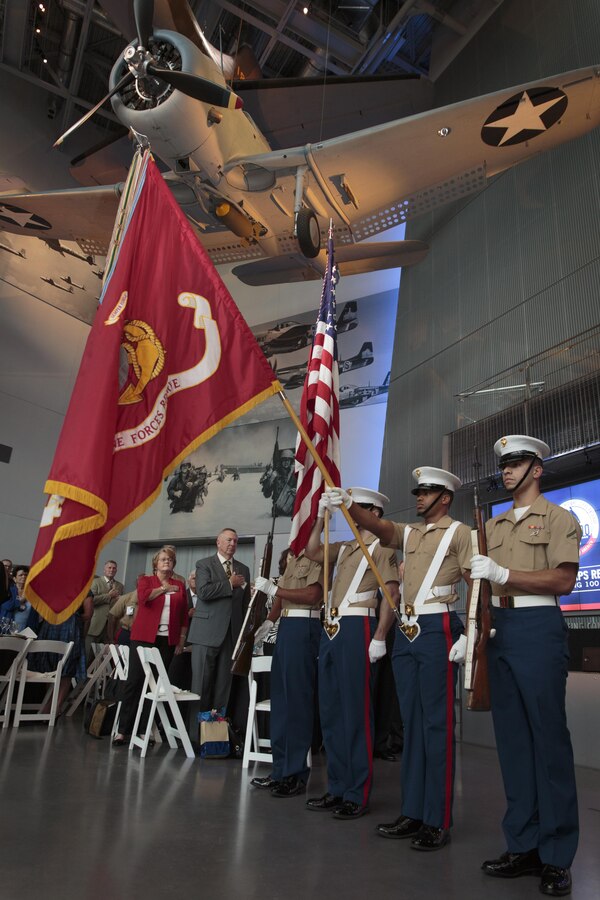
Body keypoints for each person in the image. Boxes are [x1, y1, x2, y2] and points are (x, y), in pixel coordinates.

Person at [326, 468, 471, 849]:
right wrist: (347, 504)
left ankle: (437, 819)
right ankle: (414, 810)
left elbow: (478, 582)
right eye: (418, 492)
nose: (419, 497)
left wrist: (471, 633)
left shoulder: (459, 532)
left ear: (445, 498)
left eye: (427, 492)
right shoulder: (411, 533)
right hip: (408, 630)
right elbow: (379, 527)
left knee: (437, 726)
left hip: (438, 624)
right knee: (413, 725)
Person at [474, 436, 581, 897]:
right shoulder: (493, 525)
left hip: (539, 625)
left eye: (517, 463)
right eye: (504, 464)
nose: (508, 470)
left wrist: (505, 576)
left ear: (537, 469)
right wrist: (474, 633)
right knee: (514, 743)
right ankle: (523, 845)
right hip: (501, 628)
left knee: (548, 742)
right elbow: (481, 584)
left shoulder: (559, 518)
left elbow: (564, 579)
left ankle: (557, 855)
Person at [305, 488, 400, 819]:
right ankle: (337, 787)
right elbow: (312, 550)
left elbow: (391, 594)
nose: (350, 513)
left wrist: (380, 636)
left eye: (356, 508)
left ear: (373, 511)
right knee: (331, 710)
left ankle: (357, 793)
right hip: (332, 629)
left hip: (359, 627)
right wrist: (320, 515)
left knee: (355, 712)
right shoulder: (344, 548)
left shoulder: (382, 548)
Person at [250, 549, 324, 797]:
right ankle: (280, 770)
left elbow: (313, 593)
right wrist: (269, 621)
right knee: (280, 703)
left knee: (296, 703)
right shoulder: (293, 558)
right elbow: (282, 596)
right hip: (287, 625)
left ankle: (295, 774)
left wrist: (274, 591)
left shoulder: (319, 556)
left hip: (306, 623)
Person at [112, 546, 188, 746]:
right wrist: (163, 589)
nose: (166, 562)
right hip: (143, 637)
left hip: (167, 640)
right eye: (163, 559)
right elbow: (145, 598)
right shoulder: (145, 580)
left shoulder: (179, 584)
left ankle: (144, 729)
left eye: (170, 559)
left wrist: (181, 639)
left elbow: (183, 616)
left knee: (155, 685)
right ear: (155, 563)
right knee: (135, 681)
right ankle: (122, 730)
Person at [186, 528, 251, 742]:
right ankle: (196, 736)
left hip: (231, 635)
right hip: (206, 634)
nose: (232, 543)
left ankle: (216, 738)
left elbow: (243, 605)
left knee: (224, 687)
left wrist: (243, 635)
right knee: (201, 686)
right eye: (229, 539)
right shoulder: (204, 564)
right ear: (218, 542)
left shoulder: (243, 569)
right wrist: (228, 584)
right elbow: (203, 592)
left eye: (236, 541)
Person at [86, 560, 124, 656]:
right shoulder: (95, 582)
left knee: (103, 658)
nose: (111, 570)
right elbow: (91, 600)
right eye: (109, 567)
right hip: (95, 625)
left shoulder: (120, 586)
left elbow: (119, 606)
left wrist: (120, 600)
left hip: (110, 626)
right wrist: (108, 595)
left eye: (114, 568)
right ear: (104, 570)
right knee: (88, 654)